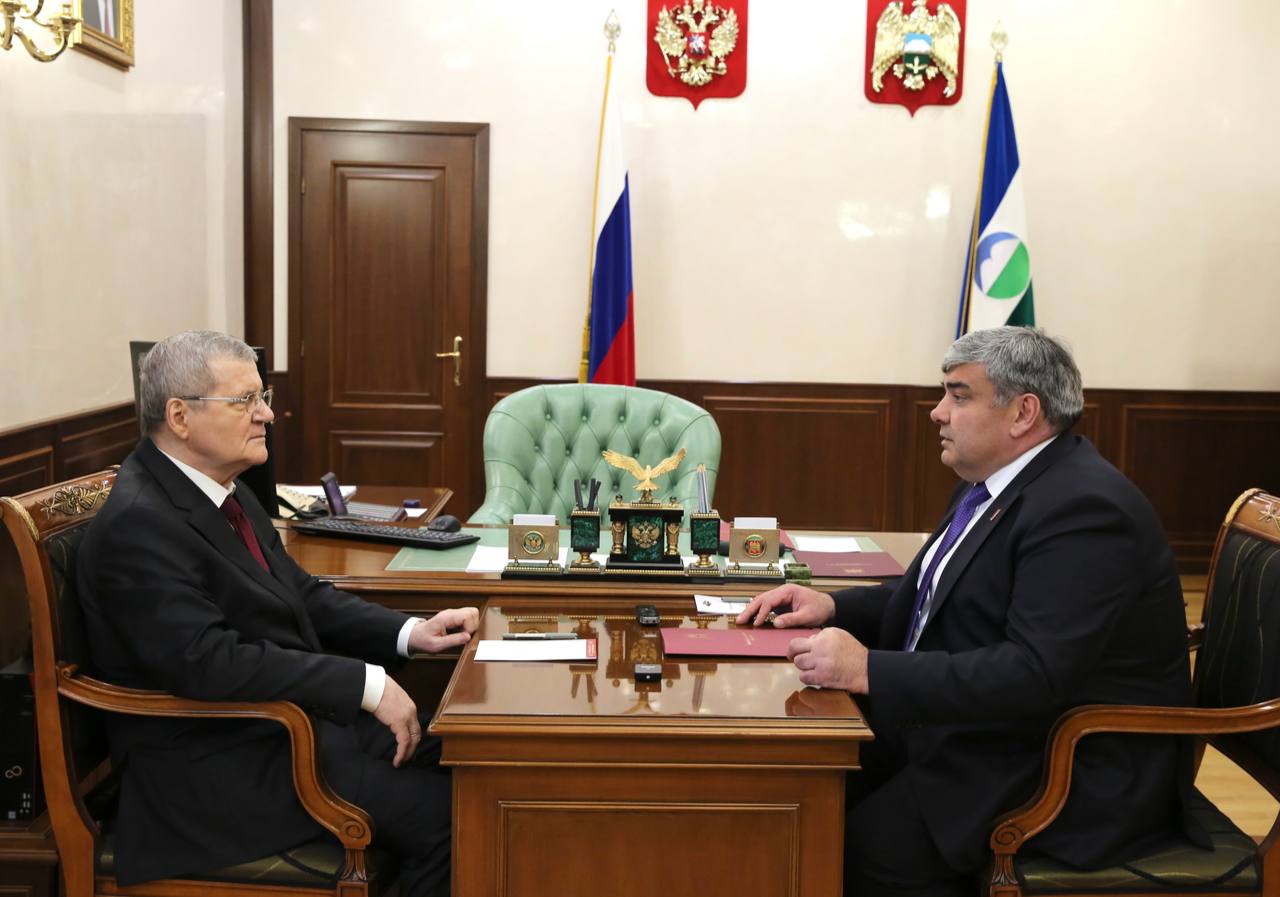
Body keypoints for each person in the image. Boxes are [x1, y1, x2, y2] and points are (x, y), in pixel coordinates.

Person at [737, 327, 1202, 897]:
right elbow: (935, 595)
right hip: (981, 727)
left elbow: (1035, 673)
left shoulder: (1085, 510)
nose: (937, 413)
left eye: (958, 396)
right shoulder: (994, 483)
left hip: (1063, 762)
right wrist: (832, 604)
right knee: (799, 786)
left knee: (861, 846)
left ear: (1023, 413)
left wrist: (867, 669)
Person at [78, 331, 475, 897]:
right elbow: (208, 661)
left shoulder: (226, 491)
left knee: (479, 769)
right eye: (245, 400)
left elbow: (302, 595)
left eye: (261, 397)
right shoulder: (139, 522)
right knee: (457, 822)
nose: (266, 414)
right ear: (180, 416)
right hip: (217, 768)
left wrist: (412, 633)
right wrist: (364, 685)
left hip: (293, 733)